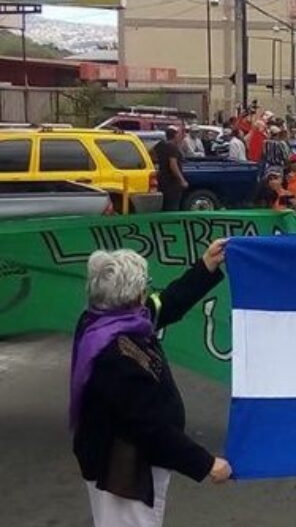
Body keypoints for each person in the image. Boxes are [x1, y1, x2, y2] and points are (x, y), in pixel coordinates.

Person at [72, 242, 232, 527]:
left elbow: (167, 303)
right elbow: (149, 427)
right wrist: (206, 464)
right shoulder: (114, 354)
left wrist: (205, 265)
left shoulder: (107, 319)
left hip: (125, 460)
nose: (147, 292)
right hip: (122, 472)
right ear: (135, 294)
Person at [154, 127, 187, 212]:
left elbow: (152, 155)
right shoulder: (172, 147)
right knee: (172, 207)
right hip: (172, 183)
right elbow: (173, 165)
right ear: (175, 135)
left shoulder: (160, 145)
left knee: (164, 207)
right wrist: (182, 180)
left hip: (162, 181)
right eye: (179, 135)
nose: (180, 137)